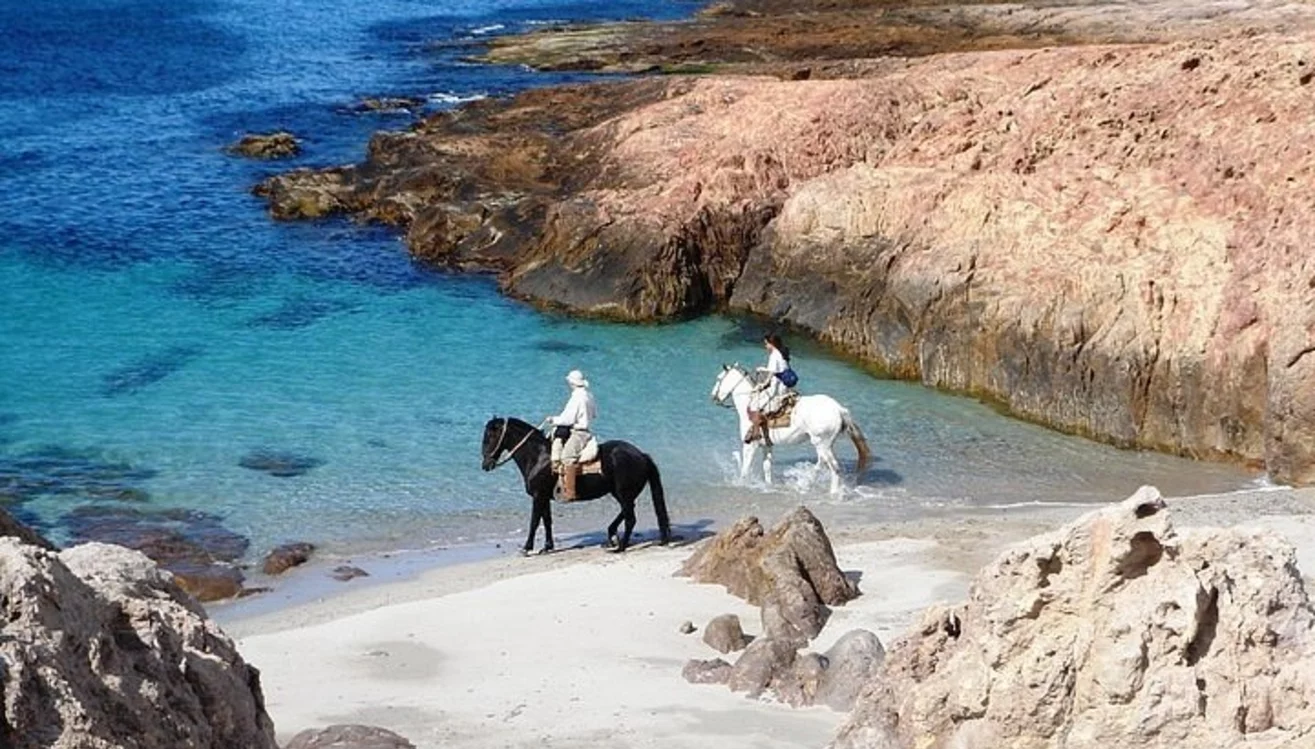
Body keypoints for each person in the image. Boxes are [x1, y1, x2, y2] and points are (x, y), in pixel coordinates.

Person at [546, 369, 597, 501]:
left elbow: (568, 419)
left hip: (579, 432)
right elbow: (594, 414)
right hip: (584, 429)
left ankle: (570, 492)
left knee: (567, 457)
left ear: (572, 383)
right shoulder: (588, 395)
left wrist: (553, 420)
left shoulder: (577, 397)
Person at [746, 333, 797, 445]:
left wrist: (763, 384)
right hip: (783, 384)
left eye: (766, 344)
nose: (765, 346)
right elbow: (775, 370)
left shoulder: (774, 355)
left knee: (755, 404)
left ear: (771, 344)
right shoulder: (781, 353)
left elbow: (772, 374)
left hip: (778, 387)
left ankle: (756, 433)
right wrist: (763, 369)